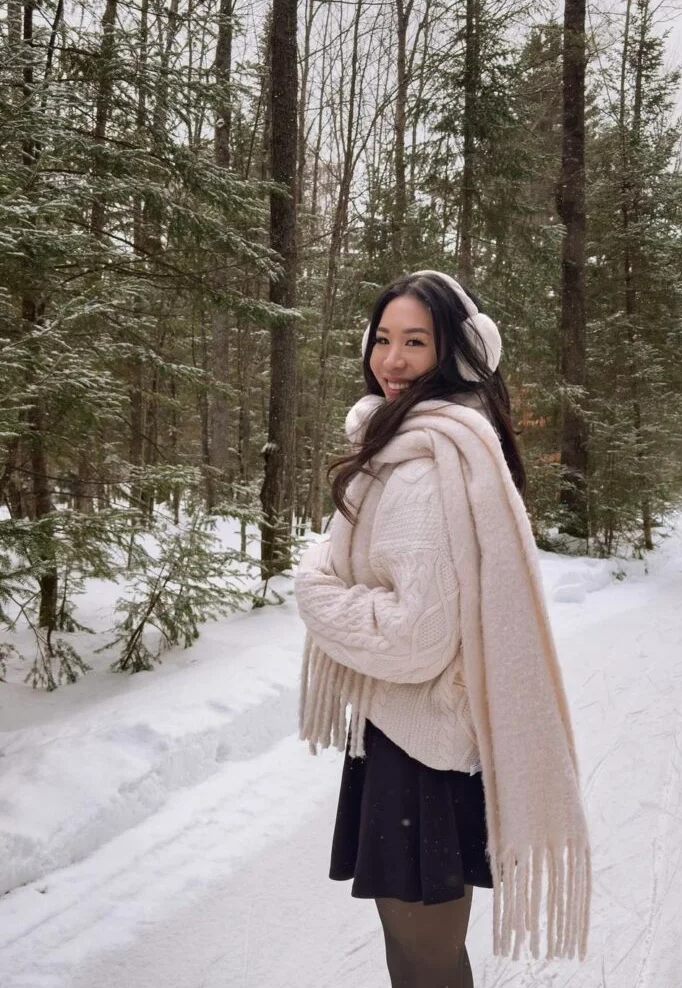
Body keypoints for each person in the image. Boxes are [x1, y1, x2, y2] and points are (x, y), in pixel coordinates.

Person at [295, 271, 591, 988]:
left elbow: (414, 637)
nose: (390, 361)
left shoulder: (429, 465)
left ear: (455, 354)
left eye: (414, 343)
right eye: (383, 339)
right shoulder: (413, 445)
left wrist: (315, 588)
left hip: (420, 745)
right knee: (415, 950)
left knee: (423, 955)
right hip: (409, 731)